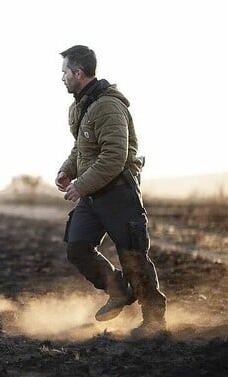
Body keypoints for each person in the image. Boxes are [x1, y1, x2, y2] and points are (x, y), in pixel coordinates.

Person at [55, 45, 167, 338]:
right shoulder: (82, 105)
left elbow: (114, 156)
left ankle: (154, 320)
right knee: (77, 247)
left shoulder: (108, 105)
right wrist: (68, 169)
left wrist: (81, 185)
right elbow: (83, 147)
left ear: (78, 73)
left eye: (65, 72)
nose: (61, 77)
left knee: (133, 257)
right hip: (93, 197)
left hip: (118, 193)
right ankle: (118, 291)